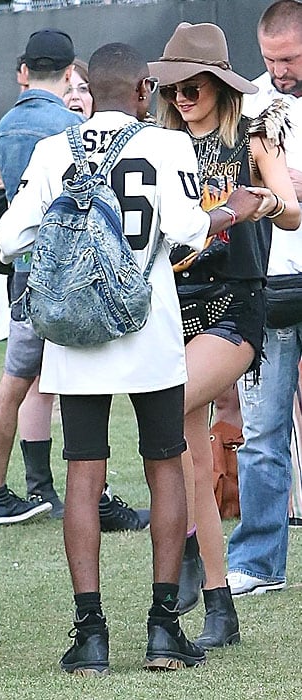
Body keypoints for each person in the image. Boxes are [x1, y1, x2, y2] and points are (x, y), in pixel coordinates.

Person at [0, 41, 261, 675]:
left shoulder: (54, 149)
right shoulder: (167, 147)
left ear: (85, 90)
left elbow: (10, 239)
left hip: (77, 334)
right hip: (151, 330)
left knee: (84, 474)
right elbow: (193, 229)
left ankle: (90, 634)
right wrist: (236, 209)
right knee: (165, 466)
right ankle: (164, 628)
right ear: (145, 89)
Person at [149, 21, 300, 648]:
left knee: (168, 403)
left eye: (194, 84)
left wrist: (259, 203)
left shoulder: (253, 136)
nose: (183, 96)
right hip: (170, 305)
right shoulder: (158, 144)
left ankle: (183, 545)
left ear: (219, 82)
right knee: (190, 459)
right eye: (174, 86)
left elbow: (293, 209)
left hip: (237, 308)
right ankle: (219, 605)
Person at [226, 0, 302, 596]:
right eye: (272, 59)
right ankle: (257, 562)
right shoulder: (250, 104)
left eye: (291, 58)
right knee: (262, 429)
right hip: (270, 283)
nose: (279, 70)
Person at [0, 29, 82, 528]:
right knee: (75, 379)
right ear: (69, 72)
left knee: (17, 381)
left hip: (24, 270)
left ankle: (4, 489)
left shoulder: (7, 125)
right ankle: (91, 490)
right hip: (68, 272)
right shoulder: (71, 126)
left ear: (26, 70)